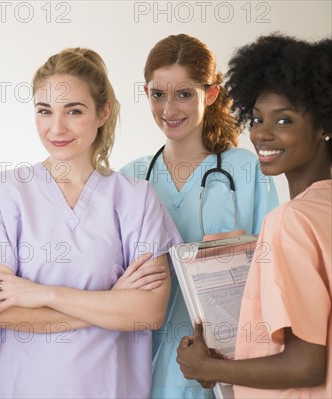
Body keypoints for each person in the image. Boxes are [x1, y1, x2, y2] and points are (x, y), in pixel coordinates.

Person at [0, 48, 181, 398]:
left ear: (102, 112)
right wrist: (109, 304)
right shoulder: (5, 192)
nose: (56, 128)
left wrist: (41, 294)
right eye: (45, 111)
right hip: (14, 387)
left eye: (74, 111)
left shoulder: (137, 199)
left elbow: (147, 312)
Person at [119, 34, 279, 398]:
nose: (169, 109)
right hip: (141, 361)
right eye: (158, 94)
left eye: (184, 94)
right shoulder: (130, 177)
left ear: (210, 94)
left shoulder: (244, 171)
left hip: (216, 364)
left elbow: (271, 272)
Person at [177, 34, 331, 398]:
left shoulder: (290, 220)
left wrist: (208, 367)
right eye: (258, 118)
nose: (261, 133)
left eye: (284, 121)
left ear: (324, 126)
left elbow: (306, 364)